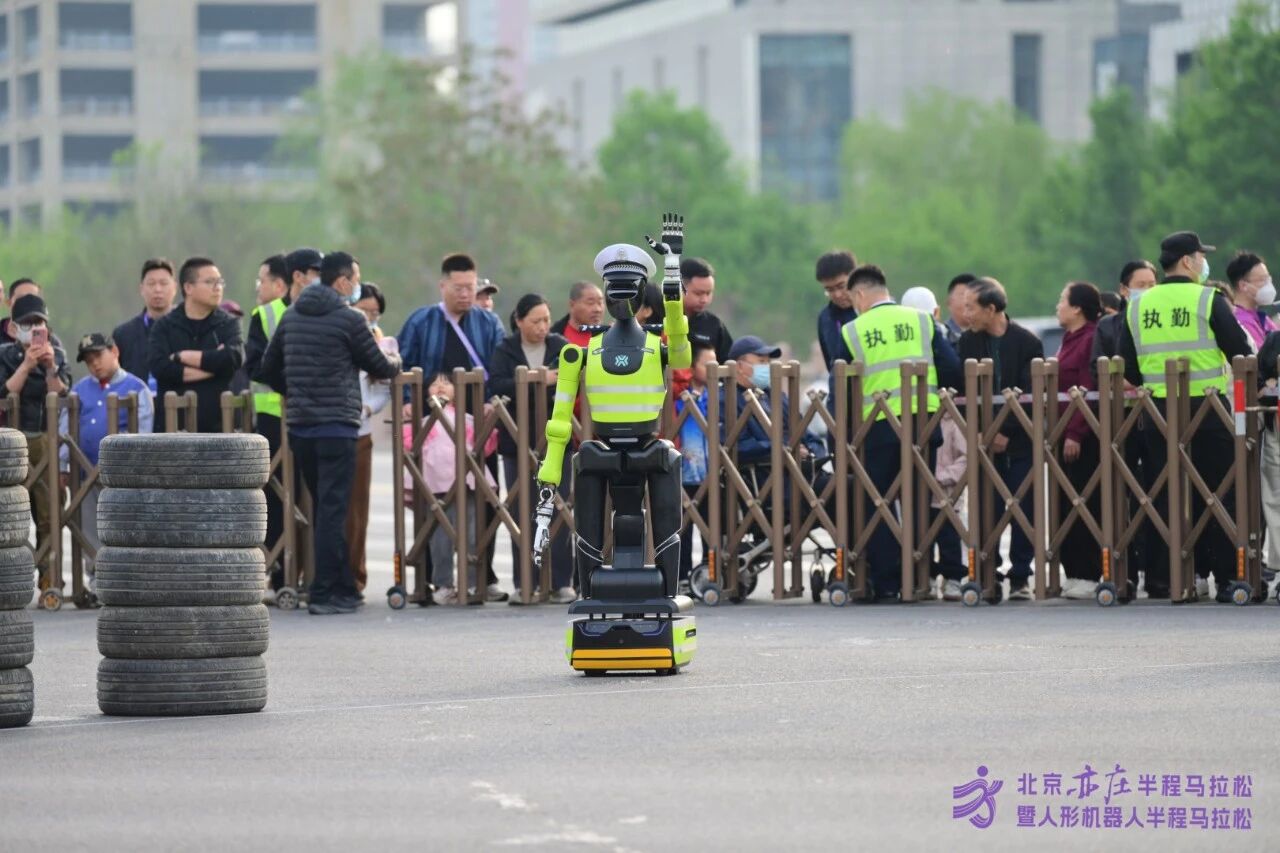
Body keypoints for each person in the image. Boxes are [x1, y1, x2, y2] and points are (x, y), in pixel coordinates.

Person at [256, 251, 401, 615]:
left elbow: (267, 369)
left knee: (324, 506)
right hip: (337, 426)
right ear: (342, 282)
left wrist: (295, 391)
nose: (357, 286)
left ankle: (340, 587)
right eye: (356, 279)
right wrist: (397, 361)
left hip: (301, 428)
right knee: (334, 509)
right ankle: (325, 592)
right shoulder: (349, 319)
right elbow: (379, 364)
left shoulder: (291, 316)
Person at [1120, 231, 1251, 602]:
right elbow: (1239, 349)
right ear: (1188, 261)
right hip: (1206, 409)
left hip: (1158, 412)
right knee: (1219, 493)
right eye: (1201, 257)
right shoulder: (1207, 298)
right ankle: (1227, 579)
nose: (1204, 263)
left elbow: (1128, 365)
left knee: (1167, 493)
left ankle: (1172, 578)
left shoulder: (1138, 305)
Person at [842, 265, 962, 601]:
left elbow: (843, 386)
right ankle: (921, 578)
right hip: (923, 424)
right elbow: (952, 368)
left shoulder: (853, 330)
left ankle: (888, 582)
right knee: (921, 500)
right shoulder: (923, 322)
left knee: (877, 501)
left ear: (860, 295)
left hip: (877, 428)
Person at [396, 252, 508, 601]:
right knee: (434, 501)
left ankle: (482, 576)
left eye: (470, 287)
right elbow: (402, 365)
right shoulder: (421, 321)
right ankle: (434, 579)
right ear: (442, 285)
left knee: (485, 501)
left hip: (478, 428)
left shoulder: (488, 323)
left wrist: (492, 401)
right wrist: (407, 401)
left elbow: (501, 368)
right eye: (458, 287)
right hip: (433, 427)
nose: (465, 293)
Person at [957, 277, 1044, 600]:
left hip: (1019, 442)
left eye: (971, 307)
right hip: (983, 442)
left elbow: (1031, 395)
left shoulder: (1027, 342)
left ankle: (1021, 577)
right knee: (986, 509)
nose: (966, 314)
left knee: (1024, 507)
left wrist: (1006, 432)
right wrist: (979, 432)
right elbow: (961, 393)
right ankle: (987, 575)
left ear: (991, 309)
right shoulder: (968, 343)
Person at [486, 294, 573, 603]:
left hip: (557, 439)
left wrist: (551, 381)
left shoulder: (560, 346)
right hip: (517, 442)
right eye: (536, 321)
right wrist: (540, 379)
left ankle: (561, 582)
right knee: (522, 510)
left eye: (546, 320)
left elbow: (575, 377)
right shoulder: (506, 349)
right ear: (519, 321)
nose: (543, 327)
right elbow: (497, 384)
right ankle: (526, 582)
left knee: (559, 508)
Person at [406, 373, 499, 605]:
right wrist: (404, 422)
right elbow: (407, 444)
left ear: (457, 390)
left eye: (446, 382)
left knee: (472, 534)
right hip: (434, 486)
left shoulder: (467, 420)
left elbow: (486, 447)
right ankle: (444, 584)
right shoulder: (422, 421)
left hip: (467, 483)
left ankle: (471, 583)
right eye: (434, 383)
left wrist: (490, 421)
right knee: (439, 539)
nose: (440, 386)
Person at [0, 295, 70, 587]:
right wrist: (26, 365)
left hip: (44, 439)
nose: (33, 328)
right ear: (14, 328)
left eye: (38, 322)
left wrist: (50, 366)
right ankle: (10, 580)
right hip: (10, 441)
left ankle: (48, 579)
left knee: (48, 511)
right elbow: (4, 394)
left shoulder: (58, 354)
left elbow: (62, 394)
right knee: (8, 512)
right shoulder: (4, 355)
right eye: (27, 323)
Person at [67, 333, 154, 569]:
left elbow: (144, 434)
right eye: (89, 360)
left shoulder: (137, 388)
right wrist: (63, 465)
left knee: (122, 532)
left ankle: (122, 578)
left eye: (98, 356)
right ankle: (96, 579)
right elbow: (65, 430)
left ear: (114, 351)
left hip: (122, 479)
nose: (94, 363)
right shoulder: (78, 390)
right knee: (89, 532)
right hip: (84, 475)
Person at [902, 284, 966, 596]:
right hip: (939, 423)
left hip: (913, 425)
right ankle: (941, 578)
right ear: (937, 311)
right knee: (938, 523)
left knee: (924, 522)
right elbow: (955, 371)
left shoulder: (902, 339)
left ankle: (928, 576)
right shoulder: (944, 337)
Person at [147, 257, 244, 433]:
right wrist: (214, 368)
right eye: (210, 282)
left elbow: (233, 358)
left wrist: (183, 357)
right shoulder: (164, 326)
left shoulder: (228, 323)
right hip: (174, 428)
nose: (217, 288)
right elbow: (160, 367)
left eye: (220, 282)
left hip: (220, 428)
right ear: (188, 288)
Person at [343, 282, 395, 594]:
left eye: (375, 313)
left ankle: (355, 576)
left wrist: (367, 408)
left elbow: (384, 388)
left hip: (360, 431)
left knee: (357, 511)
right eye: (365, 311)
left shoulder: (382, 342)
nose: (370, 319)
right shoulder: (338, 334)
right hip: (332, 427)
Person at [1053, 282, 1104, 599]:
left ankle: (1088, 573)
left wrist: (1074, 432)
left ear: (1077, 308)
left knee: (1085, 501)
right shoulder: (1068, 339)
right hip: (1063, 434)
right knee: (1066, 503)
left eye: (1062, 300)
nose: (1058, 306)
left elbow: (1088, 390)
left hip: (1082, 438)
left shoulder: (1090, 339)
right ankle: (1073, 572)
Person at [245, 253, 291, 593]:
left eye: (261, 281)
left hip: (279, 418)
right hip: (279, 415)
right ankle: (284, 573)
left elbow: (257, 367)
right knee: (280, 494)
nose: (258, 287)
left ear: (279, 284)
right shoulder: (266, 314)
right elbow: (256, 367)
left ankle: (286, 573)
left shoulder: (267, 314)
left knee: (280, 496)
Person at [676, 340, 716, 591]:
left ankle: (708, 573)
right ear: (691, 367)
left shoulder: (717, 397)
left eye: (715, 363)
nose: (713, 368)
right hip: (684, 475)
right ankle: (682, 577)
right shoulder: (679, 399)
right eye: (707, 363)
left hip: (710, 475)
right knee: (683, 530)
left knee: (710, 528)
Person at [112, 259, 177, 391]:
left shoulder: (188, 328)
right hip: (136, 401)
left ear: (175, 288)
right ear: (141, 289)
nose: (157, 289)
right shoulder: (123, 334)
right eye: (151, 284)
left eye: (163, 283)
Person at [680, 257, 733, 363]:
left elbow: (728, 362)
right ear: (680, 288)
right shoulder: (661, 317)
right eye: (698, 293)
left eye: (708, 293)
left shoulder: (714, 325)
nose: (704, 300)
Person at [1227, 251, 1275, 352]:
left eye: (1268, 279)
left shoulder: (1260, 318)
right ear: (1243, 285)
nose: (1268, 285)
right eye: (1262, 280)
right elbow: (1265, 356)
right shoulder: (1241, 322)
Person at [549, 280, 605, 348]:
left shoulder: (608, 337)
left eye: (600, 303)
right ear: (572, 305)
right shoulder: (551, 339)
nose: (597, 309)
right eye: (590, 303)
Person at [945, 273, 977, 344]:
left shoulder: (988, 337)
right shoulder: (942, 336)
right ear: (949, 302)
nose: (968, 302)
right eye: (963, 295)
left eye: (973, 296)